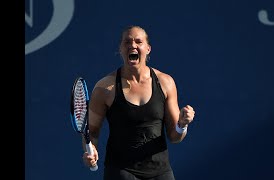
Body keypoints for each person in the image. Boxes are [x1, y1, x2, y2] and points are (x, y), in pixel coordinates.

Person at [82, 25, 195, 180]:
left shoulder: (165, 83)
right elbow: (92, 132)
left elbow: (175, 137)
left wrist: (182, 124)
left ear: (148, 49)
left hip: (160, 172)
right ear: (120, 49)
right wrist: (90, 151)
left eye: (138, 41)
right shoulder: (104, 88)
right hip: (121, 172)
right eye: (127, 42)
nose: (132, 45)